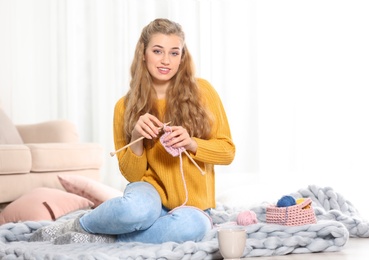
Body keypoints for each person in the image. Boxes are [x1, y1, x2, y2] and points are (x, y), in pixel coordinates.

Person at [30, 18, 235, 245]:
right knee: (136, 210)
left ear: (182, 57)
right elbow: (133, 176)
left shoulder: (203, 92)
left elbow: (227, 152)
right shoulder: (125, 106)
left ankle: (107, 239)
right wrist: (136, 138)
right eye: (158, 51)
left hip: (194, 207)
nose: (166, 60)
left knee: (191, 227)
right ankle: (80, 224)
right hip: (149, 194)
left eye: (174, 53)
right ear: (144, 53)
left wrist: (192, 144)